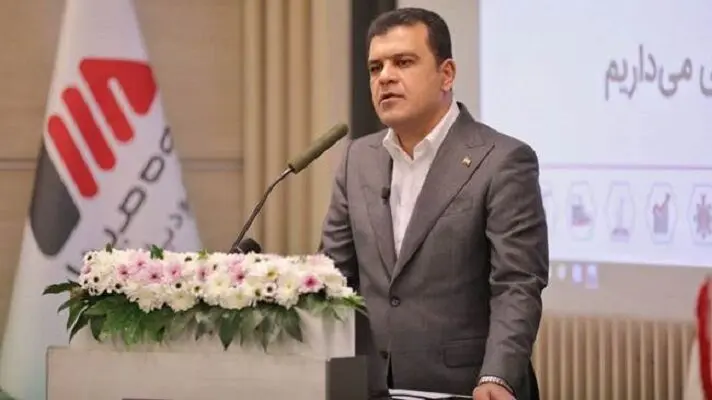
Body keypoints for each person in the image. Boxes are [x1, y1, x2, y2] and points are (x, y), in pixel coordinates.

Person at [320, 7, 548, 400]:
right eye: (375, 67)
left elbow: (517, 285)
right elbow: (334, 277)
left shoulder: (502, 160)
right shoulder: (357, 159)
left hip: (468, 388)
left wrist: (498, 376)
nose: (385, 76)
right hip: (373, 386)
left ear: (447, 74)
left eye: (403, 62)